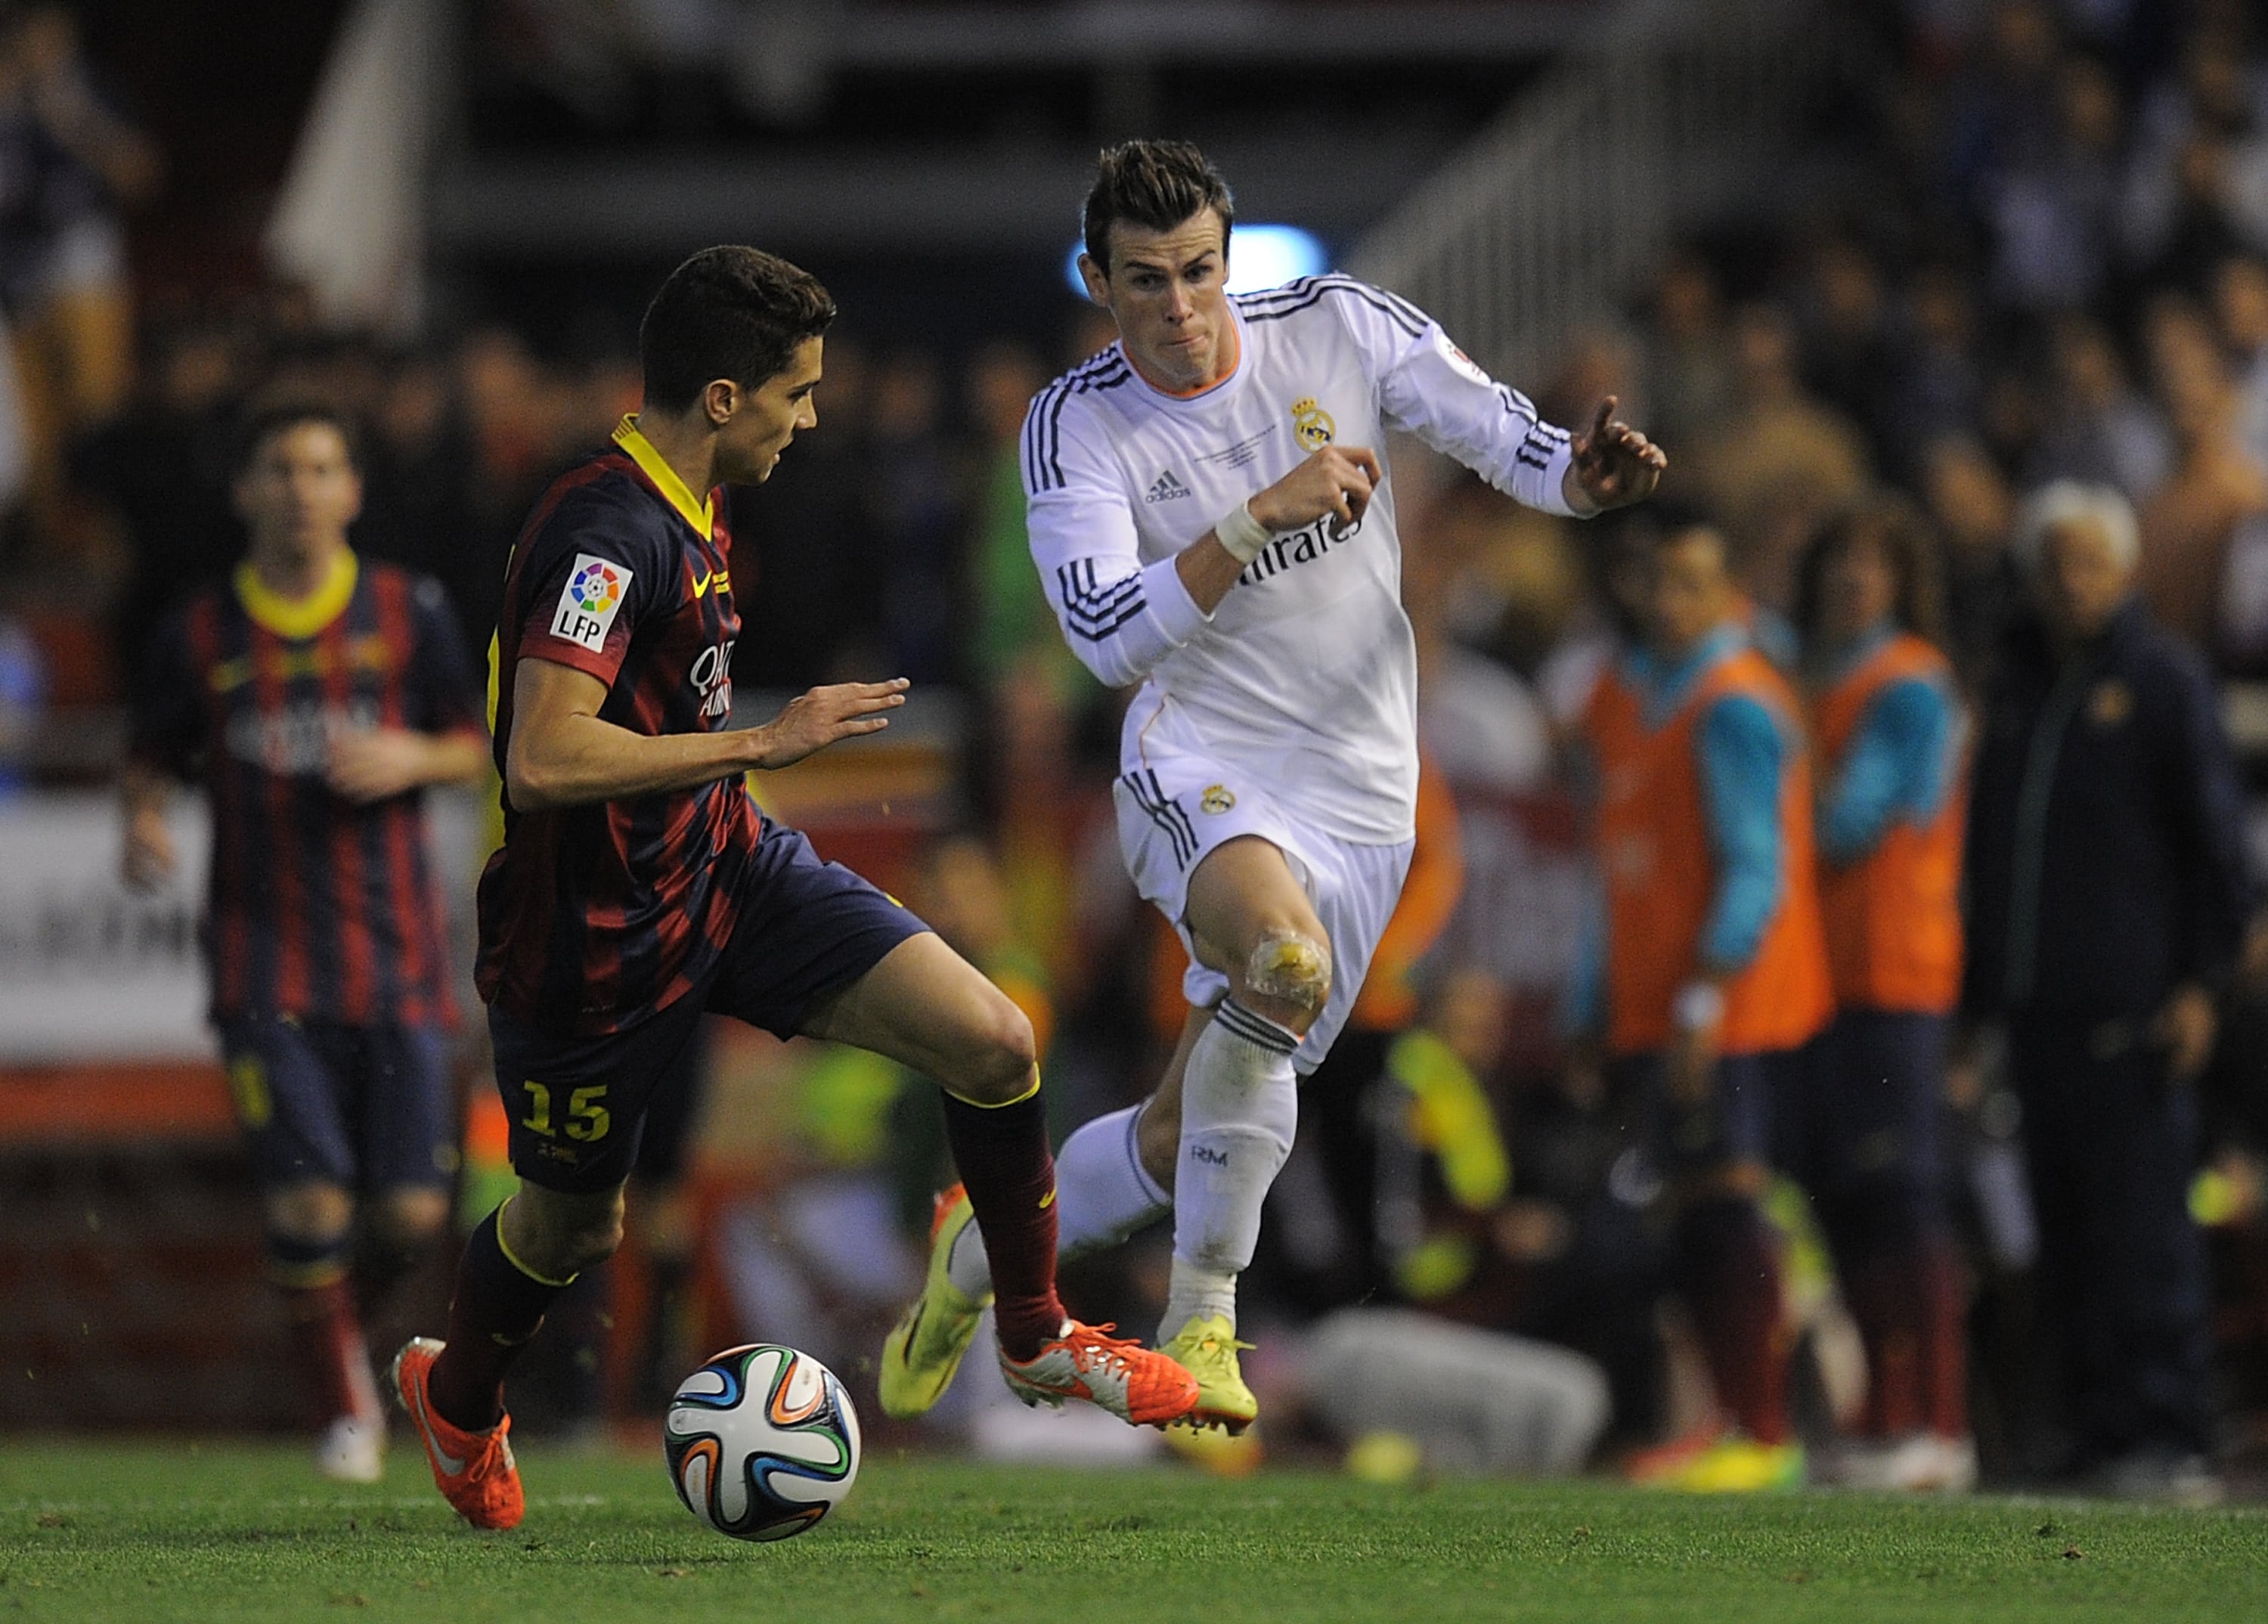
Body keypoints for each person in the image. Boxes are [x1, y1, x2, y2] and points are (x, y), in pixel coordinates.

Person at [389, 246, 1197, 1533]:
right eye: (796, 393)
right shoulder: (606, 531)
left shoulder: (695, 509)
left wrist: (749, 797)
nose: (811, 418)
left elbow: (660, 721)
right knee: (567, 1232)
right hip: (587, 939)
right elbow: (542, 757)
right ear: (722, 397)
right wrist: (761, 744)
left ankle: (1036, 1332)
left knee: (994, 1040)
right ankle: (462, 1398)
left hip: (726, 868)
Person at [880, 139, 1663, 1434]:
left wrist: (1584, 478)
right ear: (1098, 278)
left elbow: (1508, 440)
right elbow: (1100, 634)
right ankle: (1206, 1315)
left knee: (1170, 1135)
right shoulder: (1075, 422)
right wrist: (1251, 519)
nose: (1180, 310)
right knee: (1281, 967)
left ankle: (977, 1255)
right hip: (1203, 760)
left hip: (1364, 794)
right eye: (1145, 282)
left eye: (1198, 272)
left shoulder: (1338, 327)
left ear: (1226, 259)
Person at [120, 401, 491, 1482]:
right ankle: (344, 1413)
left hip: (402, 960)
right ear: (245, 490)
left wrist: (411, 758)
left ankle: (322, 1332)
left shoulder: (406, 610)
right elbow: (150, 755)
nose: (300, 487)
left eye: (322, 466)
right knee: (311, 1201)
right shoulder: (197, 631)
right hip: (263, 962)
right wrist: (141, 816)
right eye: (279, 467)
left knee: (413, 1212)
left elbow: (475, 746)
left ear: (353, 491)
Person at [1963, 481, 2248, 1500]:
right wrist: (1980, 1003)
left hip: (2135, 1007)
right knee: (2065, 1228)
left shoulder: (2163, 684)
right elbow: (1989, 853)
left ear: (2123, 572)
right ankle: (2091, 1430)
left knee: (2144, 1230)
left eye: (2089, 564)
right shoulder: (2019, 688)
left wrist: (2202, 984)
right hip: (2039, 1010)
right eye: (2055, 565)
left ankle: (2167, 1433)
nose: (2072, 585)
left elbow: (2217, 850)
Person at [1574, 519, 1833, 1492]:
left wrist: (1700, 1001)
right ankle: (1722, 1421)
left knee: (1728, 1203)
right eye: (1659, 582)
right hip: (1656, 1004)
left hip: (1725, 1010)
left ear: (1729, 598)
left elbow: (1755, 870)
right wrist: (1588, 999)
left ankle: (1764, 1431)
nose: (1673, 602)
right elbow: (1620, 869)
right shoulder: (1636, 700)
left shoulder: (1735, 705)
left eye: (1695, 585)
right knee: (1688, 1210)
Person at [1792, 497, 1974, 1491]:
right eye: (1841, 562)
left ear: (1903, 585)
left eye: (1875, 565)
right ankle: (1887, 1413)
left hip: (1893, 969)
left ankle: (1937, 1420)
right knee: (1849, 1198)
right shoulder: (1822, 686)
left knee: (1902, 1194)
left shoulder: (1908, 687)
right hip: (1826, 976)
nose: (1853, 581)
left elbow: (1846, 822)